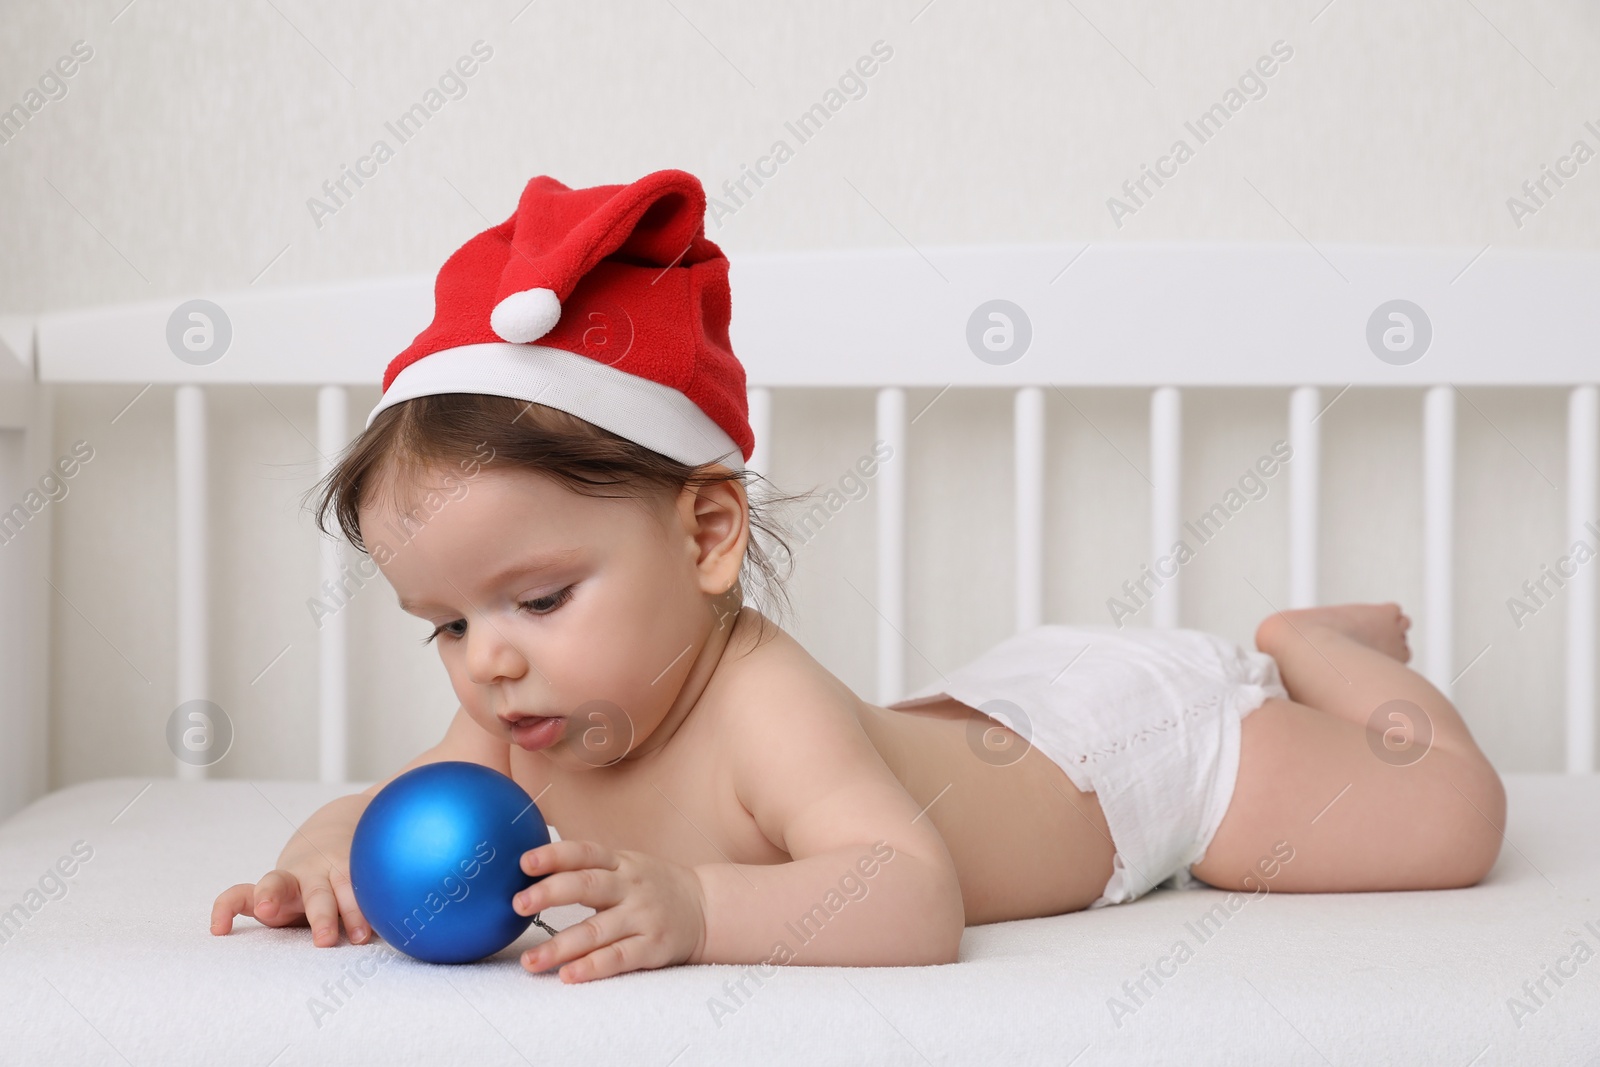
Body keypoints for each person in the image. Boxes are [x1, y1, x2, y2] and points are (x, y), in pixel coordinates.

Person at [210, 169, 1507, 983]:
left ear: (709, 536)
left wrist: (699, 911)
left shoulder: (762, 701)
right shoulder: (525, 711)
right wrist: (325, 856)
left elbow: (911, 893)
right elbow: (394, 807)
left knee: (1449, 825)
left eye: (538, 599)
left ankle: (1311, 649)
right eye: (443, 622)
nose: (486, 658)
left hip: (1140, 764)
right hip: (997, 714)